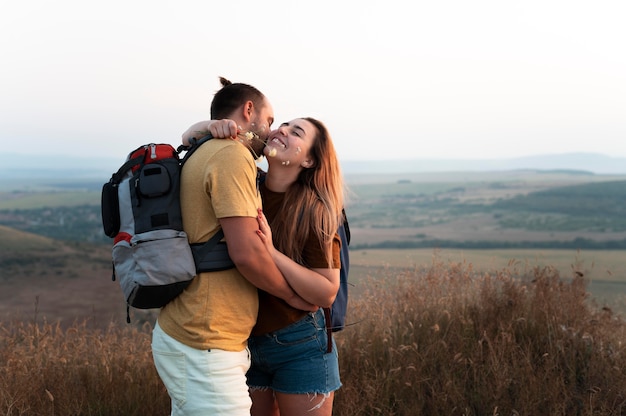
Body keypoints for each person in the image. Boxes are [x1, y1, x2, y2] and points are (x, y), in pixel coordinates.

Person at [151, 77, 315, 416]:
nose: (271, 132)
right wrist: (292, 296)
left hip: (197, 335)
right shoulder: (230, 155)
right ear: (249, 110)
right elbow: (247, 254)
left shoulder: (203, 148)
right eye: (269, 121)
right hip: (206, 340)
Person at [187, 117, 345, 416]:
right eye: (282, 125)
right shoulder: (248, 184)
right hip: (243, 341)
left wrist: (271, 252)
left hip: (300, 344)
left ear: (309, 160)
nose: (282, 130)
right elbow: (187, 138)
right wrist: (211, 127)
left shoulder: (314, 211)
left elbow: (326, 293)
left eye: (296, 132)